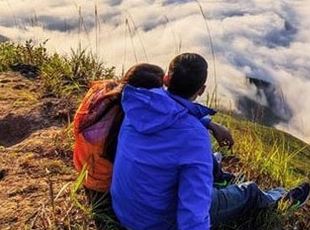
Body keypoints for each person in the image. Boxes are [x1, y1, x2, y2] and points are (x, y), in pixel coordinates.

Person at [111, 52, 310, 230]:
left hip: (124, 210)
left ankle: (221, 179)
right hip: (155, 228)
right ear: (202, 89)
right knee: (248, 192)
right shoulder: (192, 137)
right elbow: (193, 211)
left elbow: (172, 110)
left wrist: (209, 123)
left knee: (199, 164)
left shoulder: (137, 103)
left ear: (166, 79)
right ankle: (277, 200)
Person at [73, 62, 236, 193]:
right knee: (184, 146)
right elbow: (172, 120)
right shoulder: (137, 119)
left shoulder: (101, 93)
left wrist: (209, 123)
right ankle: (219, 178)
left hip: (84, 173)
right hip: (106, 185)